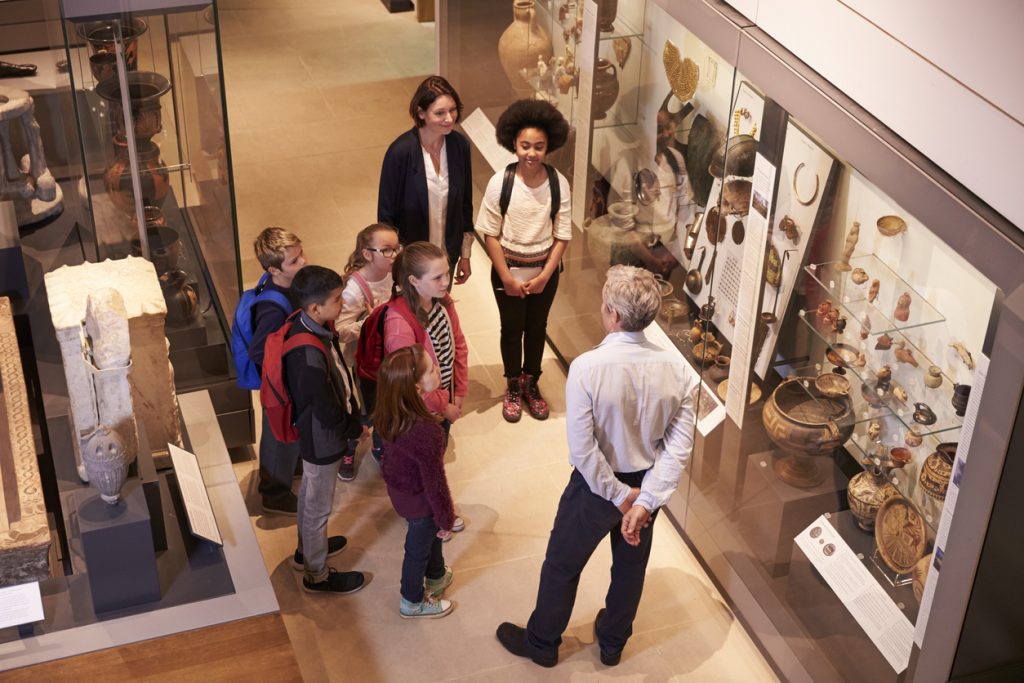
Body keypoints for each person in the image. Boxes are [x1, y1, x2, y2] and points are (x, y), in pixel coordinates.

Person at [496, 265, 696, 667]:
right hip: (645, 486)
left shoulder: (588, 367)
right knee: (629, 568)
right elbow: (678, 447)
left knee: (562, 564)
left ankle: (542, 642)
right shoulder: (679, 371)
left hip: (596, 487)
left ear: (614, 316)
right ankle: (612, 644)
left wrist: (620, 496)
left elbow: (584, 451)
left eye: (605, 304)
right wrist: (644, 501)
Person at [476, 99, 571, 423]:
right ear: (513, 143)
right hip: (508, 272)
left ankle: (532, 383)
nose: (531, 153)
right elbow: (489, 233)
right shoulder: (500, 183)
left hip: (544, 273)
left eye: (539, 147)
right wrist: (506, 278)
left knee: (537, 328)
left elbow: (563, 234)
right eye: (525, 146)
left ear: (549, 146)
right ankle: (513, 385)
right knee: (511, 329)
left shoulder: (559, 183)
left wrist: (544, 276)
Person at [284, 265, 368, 594]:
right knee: (318, 505)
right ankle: (316, 574)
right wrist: (352, 428)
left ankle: (306, 551)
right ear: (315, 307)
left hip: (319, 435)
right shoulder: (306, 352)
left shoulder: (308, 326)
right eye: (337, 300)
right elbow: (324, 405)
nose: (342, 304)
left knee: (310, 493)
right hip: (323, 439)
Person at [384, 242, 468, 537]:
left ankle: (433, 509)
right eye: (438, 277)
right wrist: (445, 408)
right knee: (425, 468)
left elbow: (458, 346)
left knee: (436, 458)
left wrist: (458, 394)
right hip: (421, 411)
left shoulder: (443, 301)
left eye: (447, 274)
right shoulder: (399, 325)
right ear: (413, 281)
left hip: (443, 400)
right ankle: (430, 515)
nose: (446, 282)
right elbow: (412, 384)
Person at [375, 345, 456, 619]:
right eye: (431, 369)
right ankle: (411, 600)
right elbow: (435, 482)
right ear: (417, 387)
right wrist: (446, 517)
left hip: (401, 491)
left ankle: (435, 576)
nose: (437, 369)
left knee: (426, 537)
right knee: (417, 549)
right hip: (420, 500)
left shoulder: (391, 412)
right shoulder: (425, 431)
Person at [378, 75, 475, 284]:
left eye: (453, 110)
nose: (449, 118)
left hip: (445, 258)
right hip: (412, 263)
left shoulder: (460, 146)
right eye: (440, 113)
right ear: (421, 113)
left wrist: (465, 255)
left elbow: (465, 205)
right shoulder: (400, 153)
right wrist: (395, 262)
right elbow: (385, 217)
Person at [335, 223, 401, 480]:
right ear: (367, 254)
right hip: (364, 364)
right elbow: (339, 331)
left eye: (396, 248)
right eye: (386, 250)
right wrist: (372, 320)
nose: (394, 255)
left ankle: (380, 446)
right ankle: (349, 451)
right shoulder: (353, 290)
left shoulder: (395, 273)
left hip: (391, 355)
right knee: (365, 412)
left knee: (388, 407)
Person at [251, 227, 306, 515]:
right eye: (294, 261)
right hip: (279, 383)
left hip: (289, 377)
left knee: (288, 431)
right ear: (274, 269)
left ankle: (290, 467)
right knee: (277, 432)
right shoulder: (273, 307)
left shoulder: (288, 285)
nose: (303, 262)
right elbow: (260, 351)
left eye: (300, 255)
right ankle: (274, 491)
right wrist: (282, 376)